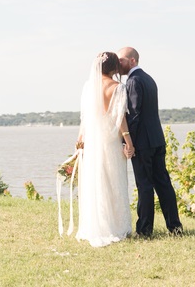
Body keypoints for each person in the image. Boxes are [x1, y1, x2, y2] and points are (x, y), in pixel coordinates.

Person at [118, 46, 184, 237]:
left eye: (121, 59)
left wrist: (128, 141)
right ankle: (175, 227)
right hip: (157, 139)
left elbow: (135, 114)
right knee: (163, 183)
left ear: (132, 60)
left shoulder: (133, 81)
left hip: (143, 143)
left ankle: (145, 230)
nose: (118, 63)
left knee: (145, 185)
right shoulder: (149, 79)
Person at [73, 51, 135, 247]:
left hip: (92, 143)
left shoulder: (87, 87)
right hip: (109, 142)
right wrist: (129, 141)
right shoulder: (117, 88)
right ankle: (114, 226)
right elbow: (120, 119)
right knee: (112, 182)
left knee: (96, 182)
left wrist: (80, 142)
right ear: (115, 68)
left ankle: (97, 225)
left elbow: (85, 119)